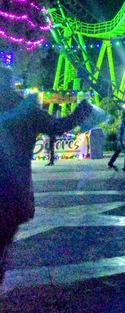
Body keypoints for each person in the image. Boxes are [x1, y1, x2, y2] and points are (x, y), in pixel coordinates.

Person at [0, 66, 93, 285]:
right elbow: (58, 126)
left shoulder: (24, 108)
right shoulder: (26, 108)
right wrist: (82, 111)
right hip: (14, 188)